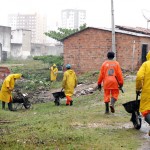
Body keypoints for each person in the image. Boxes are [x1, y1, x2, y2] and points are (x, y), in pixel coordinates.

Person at [136, 51, 150, 136]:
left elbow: (139, 77)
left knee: (145, 111)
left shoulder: (146, 64)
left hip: (148, 92)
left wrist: (138, 88)